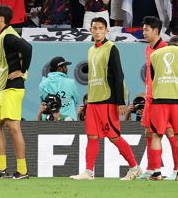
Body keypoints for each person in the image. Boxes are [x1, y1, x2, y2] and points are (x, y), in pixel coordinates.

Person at [70, 17, 142, 181]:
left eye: (100, 28)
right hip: (93, 101)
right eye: (94, 28)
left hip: (107, 100)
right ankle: (88, 172)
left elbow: (118, 75)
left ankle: (135, 167)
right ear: (90, 30)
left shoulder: (112, 48)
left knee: (114, 136)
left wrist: (120, 101)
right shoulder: (91, 50)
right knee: (92, 136)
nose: (97, 31)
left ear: (106, 30)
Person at [0, 4, 31, 179]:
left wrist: (22, 70)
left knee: (13, 128)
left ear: (1, 18)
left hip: (13, 88)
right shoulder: (5, 35)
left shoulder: (9, 35)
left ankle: (22, 171)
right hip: (5, 89)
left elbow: (28, 48)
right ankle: (2, 169)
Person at [138, 16, 174, 180]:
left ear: (156, 31)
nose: (143, 32)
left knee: (169, 131)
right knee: (149, 131)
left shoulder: (167, 49)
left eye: (146, 29)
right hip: (150, 98)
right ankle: (152, 168)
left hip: (163, 98)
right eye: (143, 29)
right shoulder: (148, 49)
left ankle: (172, 170)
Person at [147, 37, 178, 181]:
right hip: (176, 100)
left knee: (156, 136)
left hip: (159, 101)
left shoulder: (154, 55)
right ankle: (177, 171)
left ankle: (157, 172)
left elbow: (153, 78)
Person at [38, 57, 80, 121]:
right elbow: (76, 100)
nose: (67, 69)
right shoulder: (70, 82)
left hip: (50, 122)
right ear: (60, 68)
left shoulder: (43, 84)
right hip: (69, 122)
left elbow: (44, 103)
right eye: (65, 67)